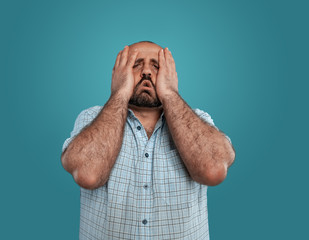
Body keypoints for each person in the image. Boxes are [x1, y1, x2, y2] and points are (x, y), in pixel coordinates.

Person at [61, 41, 235, 239]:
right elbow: (87, 174)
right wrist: (120, 93)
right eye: (136, 64)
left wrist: (169, 93)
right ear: (119, 73)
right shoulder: (91, 118)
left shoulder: (198, 120)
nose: (146, 72)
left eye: (156, 65)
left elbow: (213, 171)